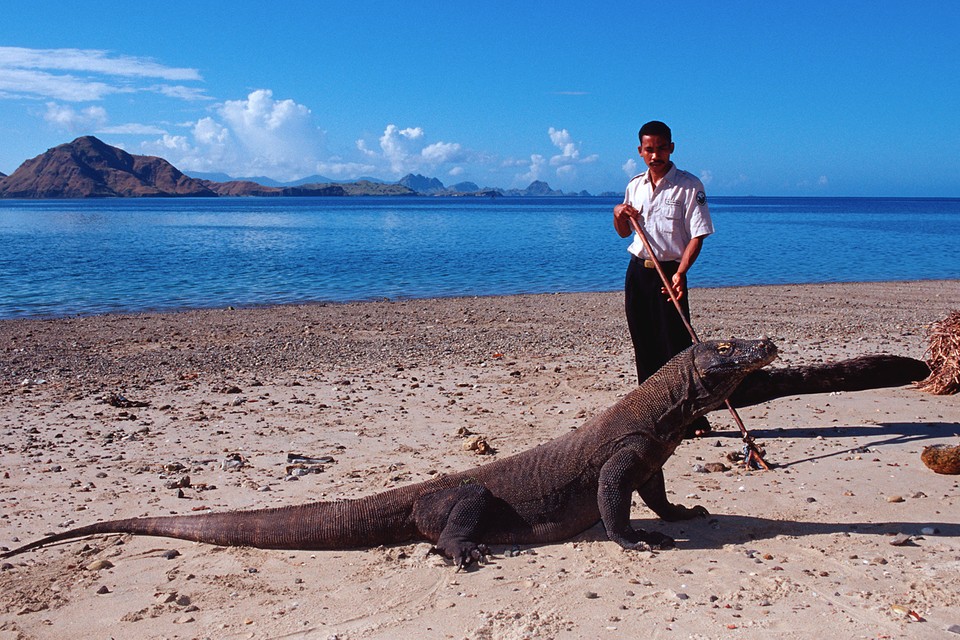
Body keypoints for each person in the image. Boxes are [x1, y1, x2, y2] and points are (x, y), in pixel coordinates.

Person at [613, 120, 714, 436]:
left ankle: (691, 417)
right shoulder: (634, 185)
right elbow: (623, 233)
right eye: (648, 149)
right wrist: (617, 214)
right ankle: (651, 417)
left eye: (660, 148)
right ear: (640, 151)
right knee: (643, 344)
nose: (654, 155)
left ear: (671, 148)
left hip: (670, 273)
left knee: (677, 347)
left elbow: (697, 236)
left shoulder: (689, 186)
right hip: (638, 272)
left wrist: (682, 273)